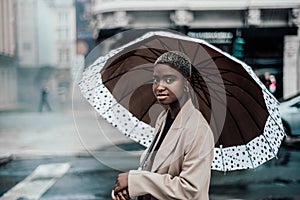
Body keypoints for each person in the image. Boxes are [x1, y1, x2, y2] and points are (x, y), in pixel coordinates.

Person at [112, 51, 215, 200]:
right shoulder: (163, 119)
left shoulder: (198, 130)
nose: (159, 87)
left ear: (187, 83)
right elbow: (154, 170)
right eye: (156, 79)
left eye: (169, 79)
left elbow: (191, 191)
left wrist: (135, 180)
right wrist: (129, 189)